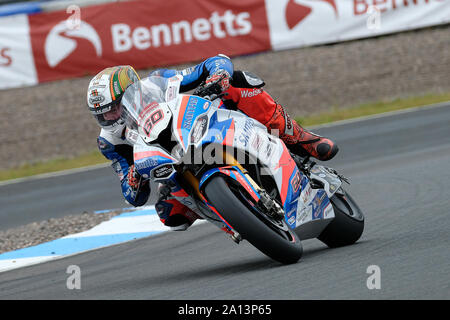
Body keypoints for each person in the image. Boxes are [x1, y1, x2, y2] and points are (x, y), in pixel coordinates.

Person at [86, 54, 338, 232]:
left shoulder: (157, 82)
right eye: (102, 114)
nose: (110, 117)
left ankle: (302, 139)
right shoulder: (109, 142)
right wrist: (133, 178)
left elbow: (214, 62)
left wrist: (218, 75)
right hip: (172, 165)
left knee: (238, 83)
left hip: (200, 126)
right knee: (169, 215)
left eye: (114, 108)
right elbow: (132, 197)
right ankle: (234, 215)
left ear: (133, 91)